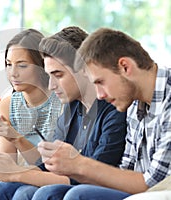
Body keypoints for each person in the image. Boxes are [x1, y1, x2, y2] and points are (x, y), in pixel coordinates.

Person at [0, 26, 127, 200]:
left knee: (31, 192)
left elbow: (91, 177)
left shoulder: (113, 110)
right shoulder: (72, 108)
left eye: (58, 75)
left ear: (84, 69)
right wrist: (3, 160)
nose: (52, 85)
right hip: (65, 182)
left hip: (88, 188)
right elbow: (47, 165)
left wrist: (16, 173)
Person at [36, 27, 171, 200]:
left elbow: (151, 183)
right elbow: (126, 169)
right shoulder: (133, 104)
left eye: (100, 82)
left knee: (77, 195)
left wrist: (79, 164)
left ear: (125, 67)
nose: (99, 95)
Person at [0, 28, 63, 199]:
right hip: (16, 171)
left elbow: (45, 167)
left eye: (22, 65)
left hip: (42, 174)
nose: (12, 73)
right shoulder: (7, 105)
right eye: (8, 64)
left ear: (42, 65)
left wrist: (15, 136)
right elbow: (8, 162)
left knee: (8, 190)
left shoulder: (61, 103)